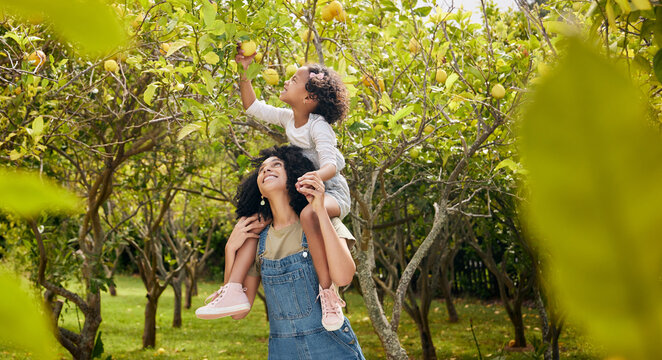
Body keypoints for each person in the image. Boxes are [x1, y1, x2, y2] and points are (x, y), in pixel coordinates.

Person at [195, 47, 351, 331]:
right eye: (263, 168)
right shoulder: (288, 118)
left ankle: (328, 293)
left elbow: (331, 165)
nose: (287, 80)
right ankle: (231, 289)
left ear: (309, 97)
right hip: (307, 188)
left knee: (308, 217)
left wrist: (310, 180)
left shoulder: (319, 127)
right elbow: (253, 107)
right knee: (254, 224)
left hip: (331, 191)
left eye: (294, 79)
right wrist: (244, 71)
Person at [211, 145, 365, 359]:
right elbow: (238, 311)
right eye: (262, 169)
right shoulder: (257, 240)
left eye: (277, 165)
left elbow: (343, 276)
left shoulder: (321, 221)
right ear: (259, 190)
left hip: (332, 346)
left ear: (295, 174)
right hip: (283, 351)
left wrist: (320, 210)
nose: (266, 170)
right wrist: (230, 249)